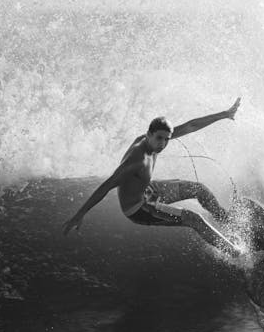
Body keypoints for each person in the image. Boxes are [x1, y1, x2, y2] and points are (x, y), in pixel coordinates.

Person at [62, 98, 243, 256]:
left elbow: (191, 126)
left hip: (148, 190)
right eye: (159, 139)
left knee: (199, 189)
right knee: (193, 218)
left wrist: (225, 114)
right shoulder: (136, 160)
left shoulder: (157, 139)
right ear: (148, 135)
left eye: (167, 139)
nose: (162, 144)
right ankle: (236, 253)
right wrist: (80, 214)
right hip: (139, 208)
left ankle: (229, 225)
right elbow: (106, 186)